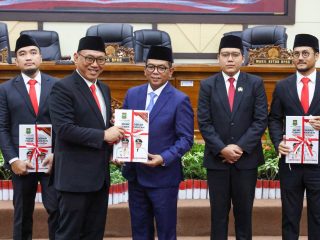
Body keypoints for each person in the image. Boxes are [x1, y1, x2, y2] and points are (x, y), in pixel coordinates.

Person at [49, 36, 125, 239]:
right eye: (89, 58)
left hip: (99, 179)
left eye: (101, 59)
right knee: (70, 234)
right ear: (76, 57)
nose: (95, 64)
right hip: (74, 180)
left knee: (94, 233)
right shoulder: (62, 88)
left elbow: (100, 126)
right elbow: (64, 129)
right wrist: (104, 135)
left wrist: (113, 151)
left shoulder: (104, 89)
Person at [197, 35, 268, 240]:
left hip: (245, 161)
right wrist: (222, 148)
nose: (230, 59)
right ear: (218, 58)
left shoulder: (255, 83)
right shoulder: (207, 85)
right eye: (225, 55)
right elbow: (204, 122)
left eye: (235, 55)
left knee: (244, 215)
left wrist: (239, 147)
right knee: (218, 215)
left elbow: (260, 119)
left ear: (243, 58)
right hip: (217, 161)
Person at [121, 46, 194, 240]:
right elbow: (123, 131)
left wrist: (164, 157)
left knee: (166, 232)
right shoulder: (132, 94)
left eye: (161, 68)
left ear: (171, 71)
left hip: (163, 177)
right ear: (144, 69)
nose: (155, 72)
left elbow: (186, 139)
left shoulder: (180, 100)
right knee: (139, 231)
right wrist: (119, 151)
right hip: (136, 175)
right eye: (151, 67)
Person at [0, 34, 59, 240]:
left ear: (41, 58)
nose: (28, 57)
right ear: (16, 61)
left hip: (51, 162)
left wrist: (57, 154)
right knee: (22, 214)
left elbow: (64, 125)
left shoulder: (58, 86)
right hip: (21, 164)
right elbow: (2, 128)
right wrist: (13, 160)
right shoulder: (5, 90)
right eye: (22, 54)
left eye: (33, 53)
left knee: (56, 211)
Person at [268, 33, 320, 239]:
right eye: (296, 53)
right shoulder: (282, 86)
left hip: (318, 163)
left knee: (318, 216)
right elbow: (274, 119)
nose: (300, 57)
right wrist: (278, 141)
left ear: (316, 55)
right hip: (291, 162)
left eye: (305, 53)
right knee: (290, 216)